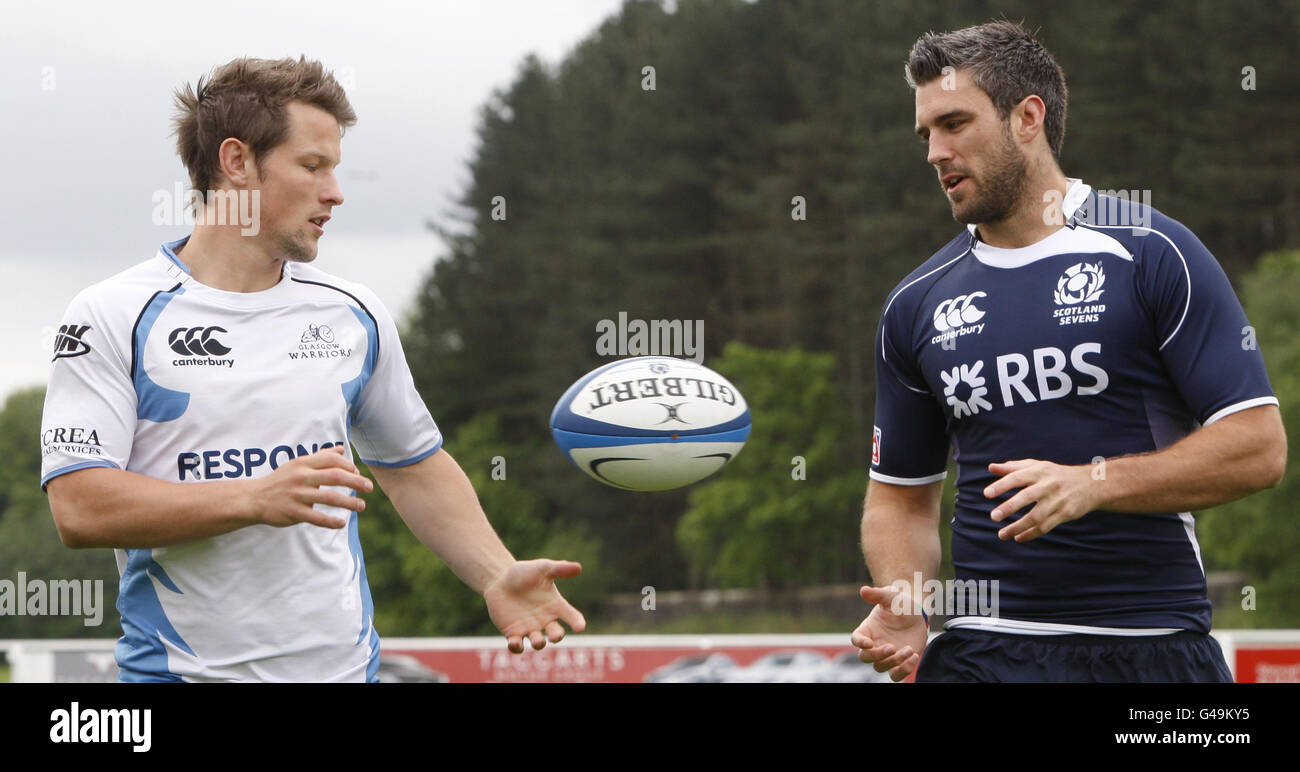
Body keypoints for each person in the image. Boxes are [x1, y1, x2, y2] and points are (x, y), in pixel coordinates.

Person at [40, 56, 585, 682]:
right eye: (312, 166)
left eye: (336, 168)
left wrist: (495, 572)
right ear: (237, 162)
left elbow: (411, 465)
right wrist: (254, 496)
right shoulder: (113, 314)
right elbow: (80, 508)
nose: (335, 192)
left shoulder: (354, 314)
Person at [851, 22, 1287, 682]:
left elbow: (1258, 446)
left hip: (1154, 646)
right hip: (986, 649)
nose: (935, 152)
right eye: (926, 134)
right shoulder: (916, 303)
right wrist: (906, 599)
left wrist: (1095, 482)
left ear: (1028, 117)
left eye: (955, 123)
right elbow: (901, 500)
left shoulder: (1150, 252)